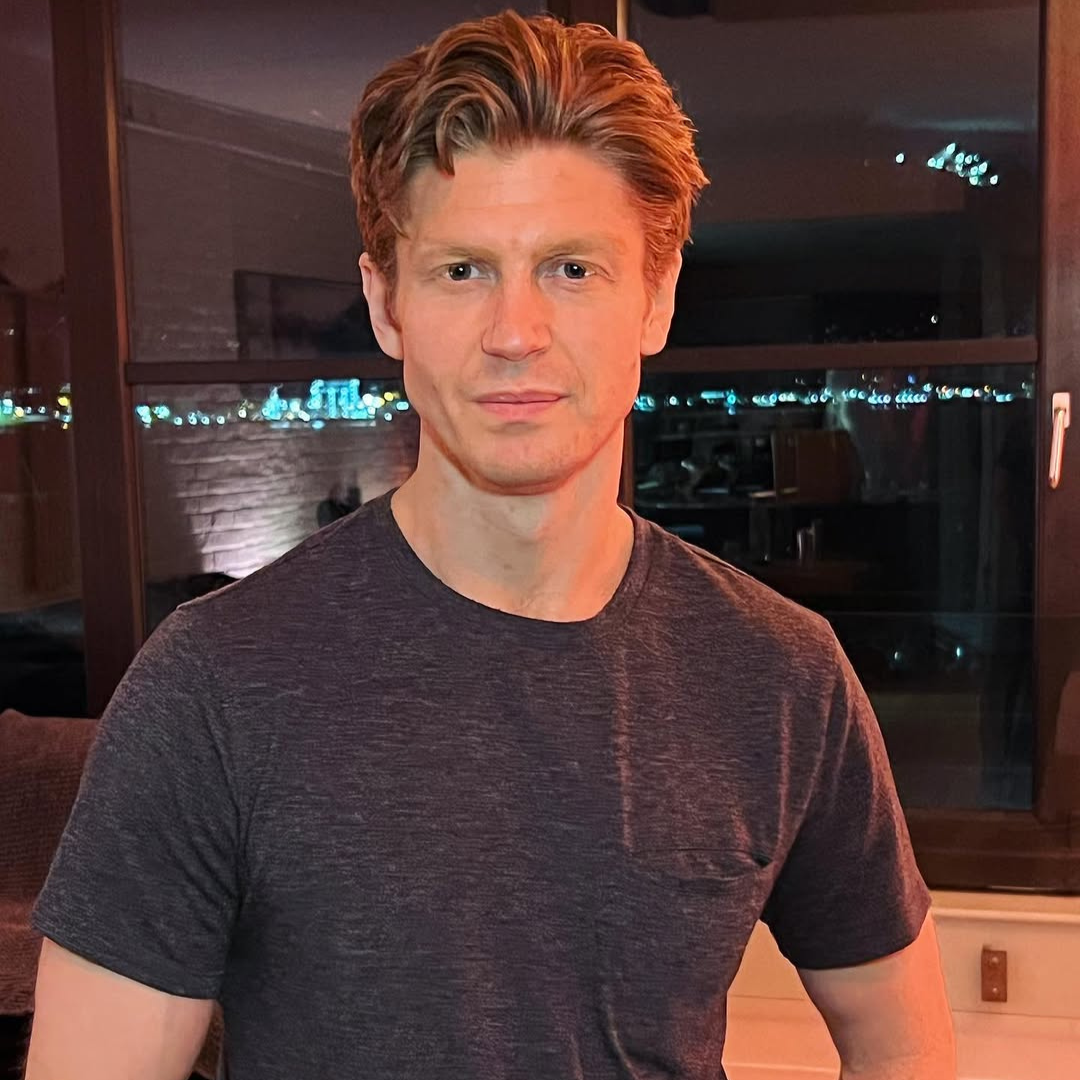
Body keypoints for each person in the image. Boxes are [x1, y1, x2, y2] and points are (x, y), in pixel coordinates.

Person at [27, 11, 955, 1080]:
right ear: (386, 304)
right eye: (462, 270)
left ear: (655, 299)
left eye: (572, 269)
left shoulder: (782, 675)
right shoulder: (214, 686)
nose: (516, 332)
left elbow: (905, 1051)